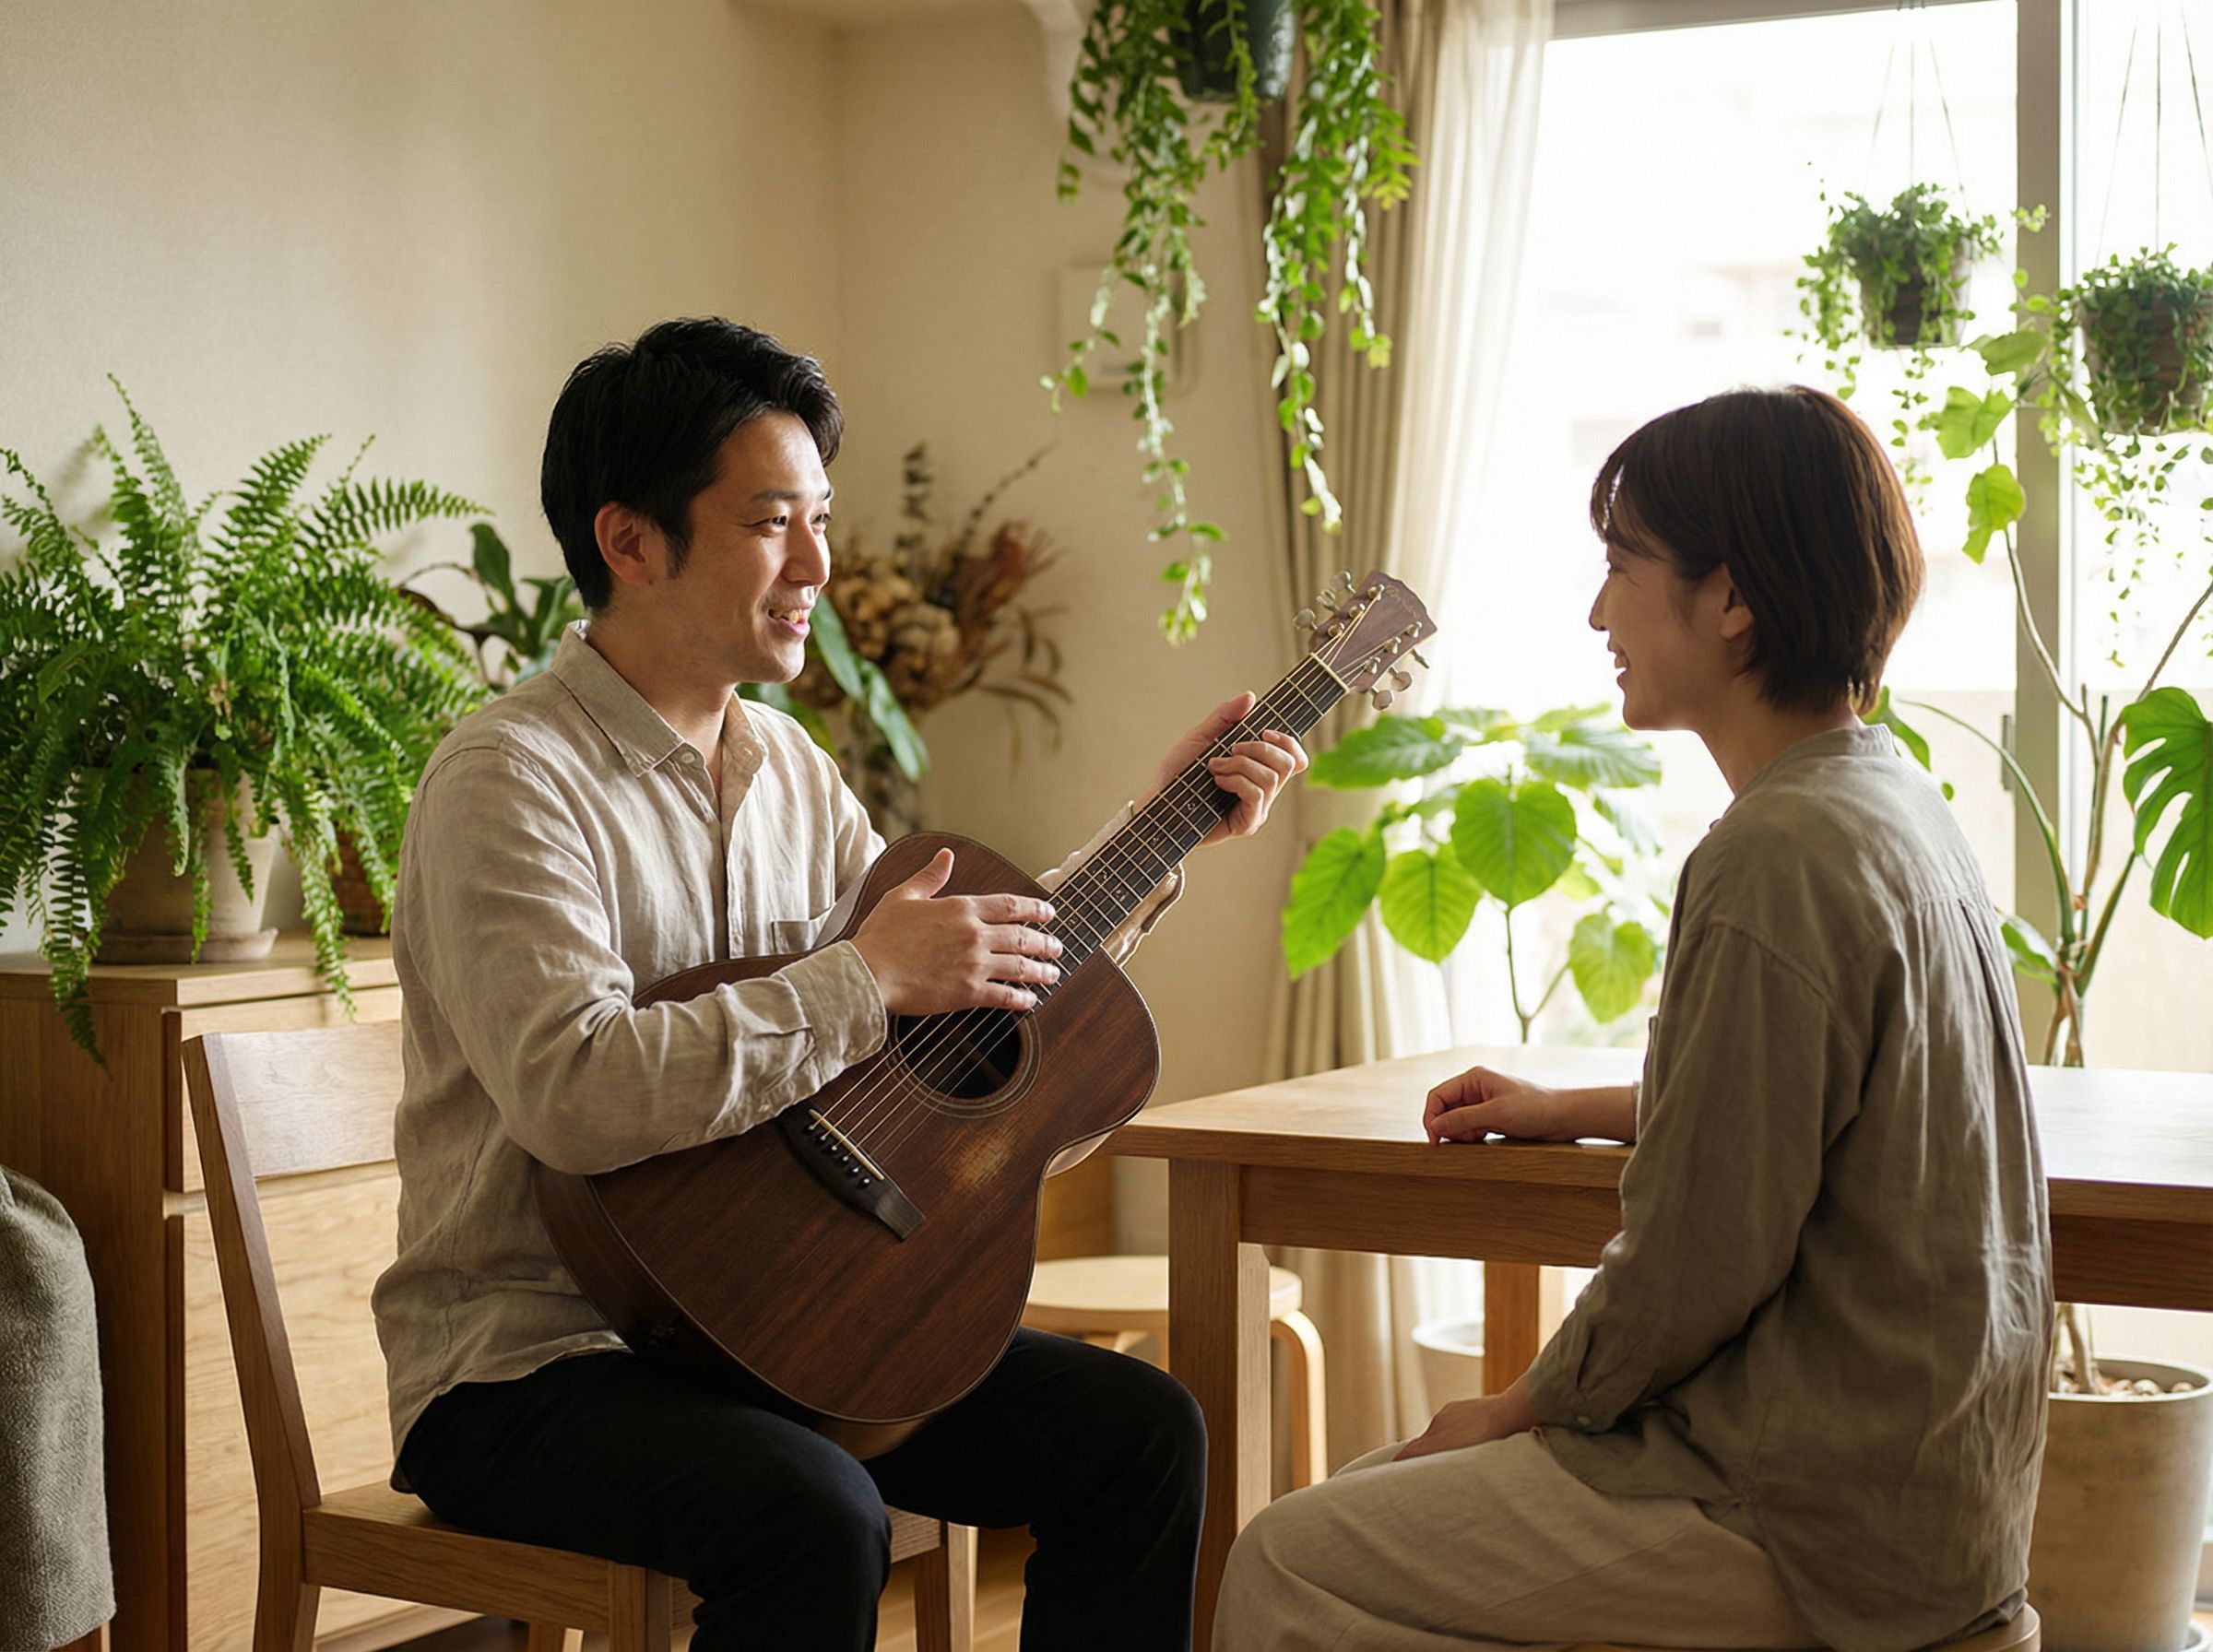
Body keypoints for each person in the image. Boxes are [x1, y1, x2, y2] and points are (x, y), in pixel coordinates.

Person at [372, 317, 1307, 1652]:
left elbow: (956, 989)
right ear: (630, 542)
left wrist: (1162, 834)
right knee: (811, 1515)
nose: (820, 564)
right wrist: (864, 979)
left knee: (1137, 1431)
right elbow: (572, 1095)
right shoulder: (508, 780)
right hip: (536, 1364)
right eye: (773, 523)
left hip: (770, 1328)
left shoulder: (794, 772)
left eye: (822, 517)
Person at [1213, 386, 2052, 1652]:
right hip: (1930, 1496)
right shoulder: (1891, 806)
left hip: (1804, 1516)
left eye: (1622, 567)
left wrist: (1520, 1405)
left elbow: (1692, 1264)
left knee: (1289, 1560)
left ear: (1734, 599)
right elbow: (1817, 1098)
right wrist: (1584, 1107)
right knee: (1380, 1501)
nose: (1600, 612)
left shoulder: (1774, 852)